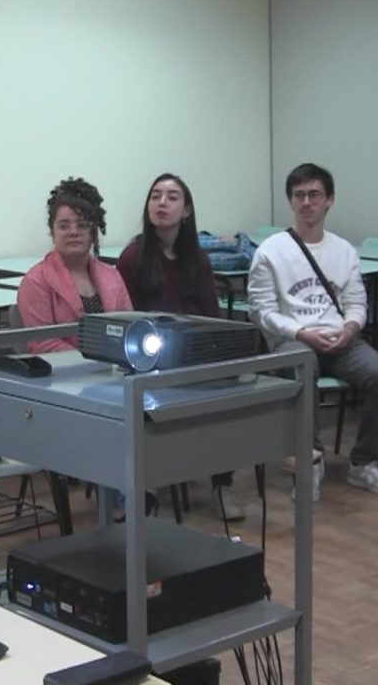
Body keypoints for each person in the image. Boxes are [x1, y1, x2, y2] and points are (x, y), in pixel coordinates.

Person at [248, 163, 378, 501]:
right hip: (293, 339)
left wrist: (350, 328)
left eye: (314, 194)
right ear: (290, 201)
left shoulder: (344, 250)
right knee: (302, 366)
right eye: (299, 195)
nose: (307, 202)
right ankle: (309, 461)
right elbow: (262, 312)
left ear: (329, 200)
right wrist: (302, 333)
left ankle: (364, 463)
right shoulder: (270, 251)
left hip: (340, 340)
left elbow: (357, 303)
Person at [116, 173, 245, 521]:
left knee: (226, 391)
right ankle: (144, 488)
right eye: (155, 195)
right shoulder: (132, 257)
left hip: (192, 359)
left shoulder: (197, 260)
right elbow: (124, 316)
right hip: (147, 362)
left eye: (172, 197)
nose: (162, 203)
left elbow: (212, 317)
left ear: (186, 210)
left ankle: (222, 483)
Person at [18, 177, 133, 353]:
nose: (73, 232)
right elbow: (42, 343)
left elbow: (130, 326)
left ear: (93, 232)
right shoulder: (36, 281)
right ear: (52, 232)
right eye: (64, 226)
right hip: (61, 375)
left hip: (114, 369)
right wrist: (93, 359)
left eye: (82, 225)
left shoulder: (113, 277)